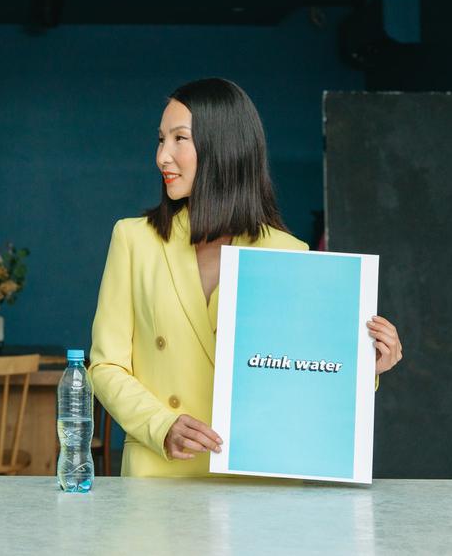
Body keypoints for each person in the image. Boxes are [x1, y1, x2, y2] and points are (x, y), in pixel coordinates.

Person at [89, 78, 402, 477]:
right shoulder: (134, 239)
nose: (162, 156)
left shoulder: (290, 254)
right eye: (160, 140)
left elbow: (306, 373)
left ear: (224, 147)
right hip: (160, 474)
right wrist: (160, 424)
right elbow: (106, 365)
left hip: (260, 483)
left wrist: (365, 367)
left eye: (179, 139)